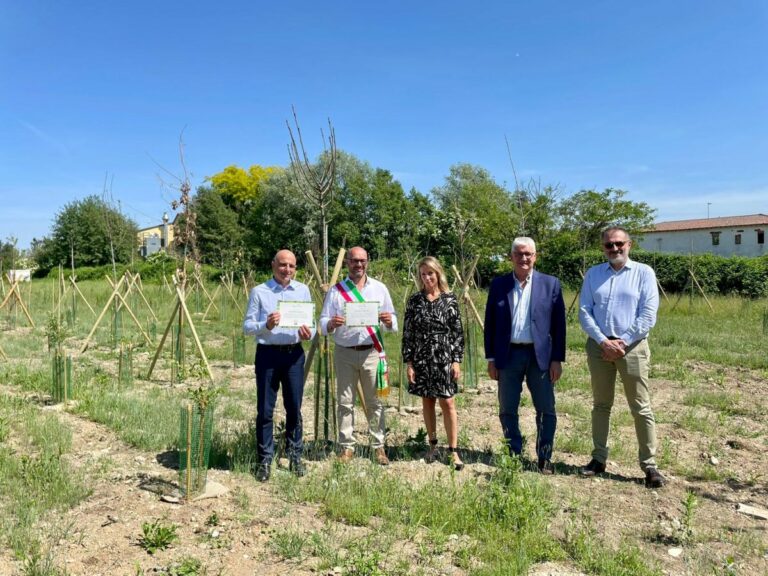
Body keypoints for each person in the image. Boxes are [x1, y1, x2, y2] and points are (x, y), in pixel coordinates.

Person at [578, 226, 666, 488]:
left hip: (633, 347)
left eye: (619, 244)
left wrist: (623, 342)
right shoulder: (594, 275)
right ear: (603, 247)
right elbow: (584, 311)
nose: (614, 249)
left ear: (629, 244)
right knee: (601, 405)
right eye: (609, 245)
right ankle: (598, 458)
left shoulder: (643, 273)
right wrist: (604, 341)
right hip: (599, 346)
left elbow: (648, 313)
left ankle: (649, 465)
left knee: (641, 407)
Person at [484, 237, 566, 474]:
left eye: (529, 254)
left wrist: (556, 359)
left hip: (539, 356)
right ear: (511, 256)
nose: (524, 258)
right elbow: (490, 324)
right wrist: (491, 358)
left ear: (535, 256)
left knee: (546, 408)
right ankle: (514, 454)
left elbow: (559, 327)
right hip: (508, 355)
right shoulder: (499, 285)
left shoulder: (550, 284)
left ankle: (544, 457)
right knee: (507, 407)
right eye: (519, 254)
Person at [320, 247, 398, 465]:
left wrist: (389, 321)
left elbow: (392, 319)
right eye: (354, 261)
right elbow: (322, 322)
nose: (359, 265)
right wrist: (330, 324)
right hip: (344, 352)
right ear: (347, 263)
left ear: (368, 262)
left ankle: (378, 446)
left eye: (362, 261)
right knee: (345, 402)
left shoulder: (379, 289)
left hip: (371, 352)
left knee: (376, 402)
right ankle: (346, 447)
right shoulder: (336, 291)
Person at [243, 249, 314, 482]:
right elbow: (247, 327)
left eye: (292, 266)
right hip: (268, 356)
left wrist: (308, 333)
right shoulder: (259, 292)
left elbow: (311, 326)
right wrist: (266, 324)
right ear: (273, 265)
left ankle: (295, 457)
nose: (287, 270)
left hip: (294, 355)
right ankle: (264, 460)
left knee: (294, 408)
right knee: (265, 410)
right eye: (283, 265)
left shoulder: (302, 290)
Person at [402, 256, 465, 471]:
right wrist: (409, 363)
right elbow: (408, 333)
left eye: (430, 273)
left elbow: (457, 333)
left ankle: (453, 450)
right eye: (423, 274)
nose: (427, 277)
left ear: (438, 274)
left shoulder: (450, 300)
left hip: (443, 357)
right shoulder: (414, 301)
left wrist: (456, 360)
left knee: (448, 401)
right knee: (427, 400)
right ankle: (432, 445)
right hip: (421, 357)